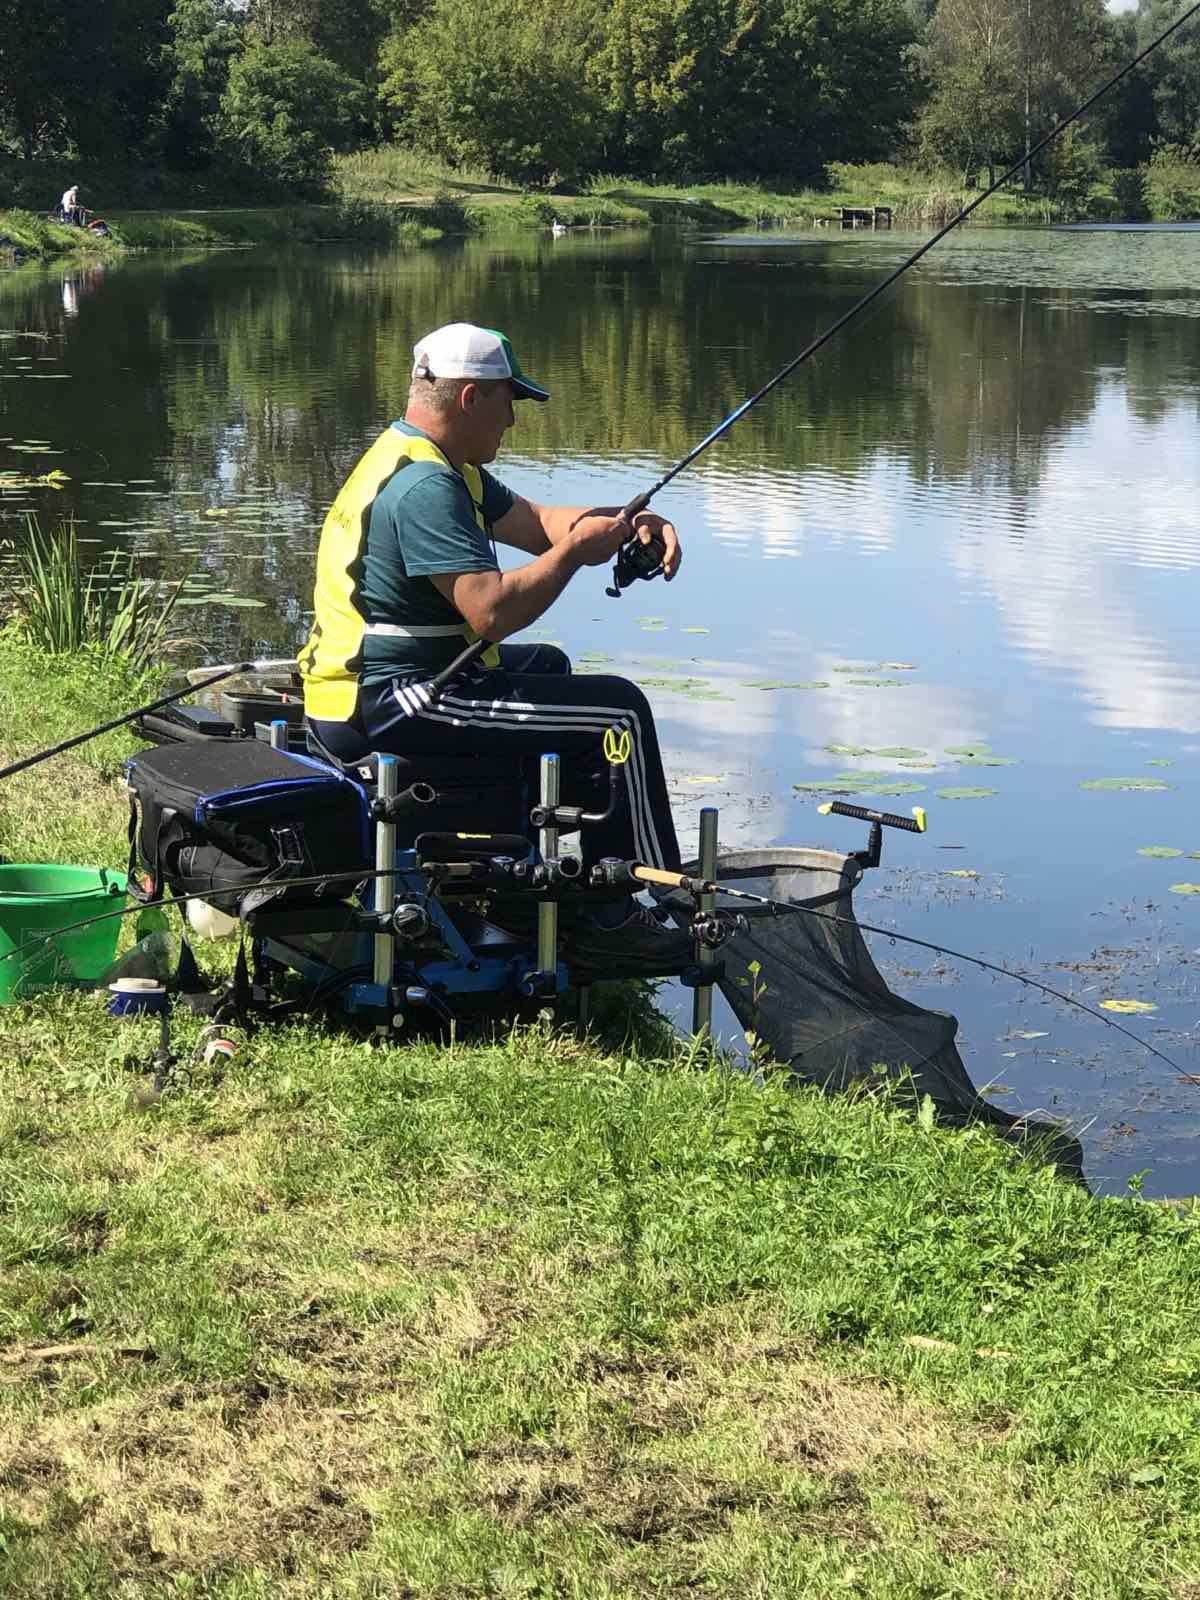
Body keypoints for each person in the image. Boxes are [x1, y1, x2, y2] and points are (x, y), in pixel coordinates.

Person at [299, 321, 692, 965]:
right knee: (616, 708)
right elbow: (491, 614)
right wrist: (570, 557)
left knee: (555, 670)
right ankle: (648, 898)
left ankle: (548, 895)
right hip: (390, 703)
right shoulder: (426, 488)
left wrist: (625, 527)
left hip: (380, 685)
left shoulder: (429, 458)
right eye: (509, 399)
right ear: (470, 399)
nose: (513, 418)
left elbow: (540, 525)